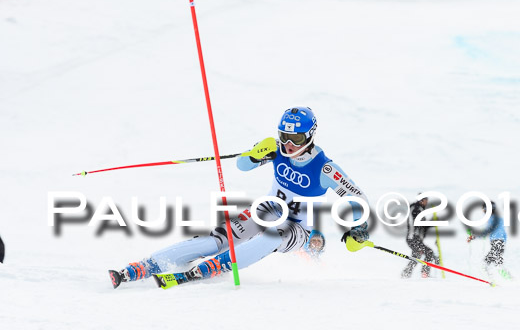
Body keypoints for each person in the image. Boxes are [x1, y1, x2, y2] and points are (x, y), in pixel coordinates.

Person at [109, 106, 369, 288]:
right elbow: (243, 165)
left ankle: (215, 266)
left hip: (298, 227)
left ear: (310, 136)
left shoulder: (324, 168)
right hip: (267, 210)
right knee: (218, 239)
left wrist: (359, 227)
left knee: (272, 236)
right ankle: (147, 264)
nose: (288, 144)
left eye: (296, 138)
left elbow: (358, 198)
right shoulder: (275, 147)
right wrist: (255, 154)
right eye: (284, 136)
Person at [467, 201, 512, 280]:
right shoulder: (499, 219)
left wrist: (474, 236)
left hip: (496, 243)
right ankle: (509, 279)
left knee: (485, 265)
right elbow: (500, 232)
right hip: (500, 243)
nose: (483, 212)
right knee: (497, 264)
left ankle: (493, 280)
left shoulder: (492, 219)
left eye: (483, 210)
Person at [401, 195, 439, 278]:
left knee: (417, 255)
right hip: (413, 238)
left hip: (415, 238)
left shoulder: (419, 209)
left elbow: (423, 227)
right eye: (425, 201)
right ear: (421, 200)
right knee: (429, 252)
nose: (426, 203)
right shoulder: (416, 208)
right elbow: (417, 222)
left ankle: (406, 274)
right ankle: (425, 273)